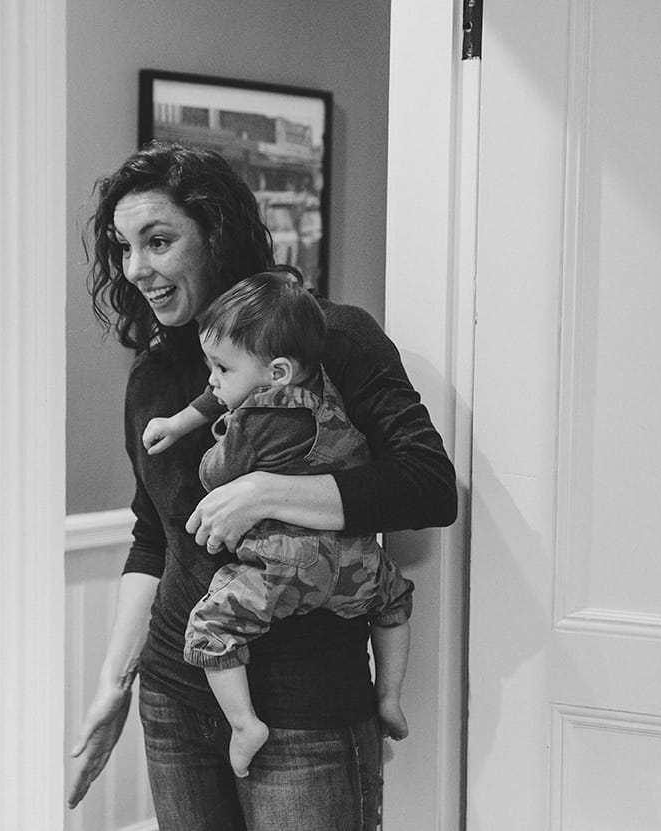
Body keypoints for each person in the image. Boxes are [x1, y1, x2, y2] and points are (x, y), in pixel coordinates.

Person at [68, 141, 456, 831]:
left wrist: (265, 492)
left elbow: (426, 484)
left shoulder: (326, 338)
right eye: (123, 246)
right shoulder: (154, 378)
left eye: (158, 241)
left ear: (216, 234)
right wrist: (112, 683)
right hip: (174, 696)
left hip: (303, 711)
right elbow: (152, 535)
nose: (136, 269)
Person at [142, 270, 414, 779]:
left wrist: (219, 443)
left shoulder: (255, 422)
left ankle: (245, 725)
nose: (212, 380)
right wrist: (182, 419)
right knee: (395, 598)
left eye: (220, 368)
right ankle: (391, 698)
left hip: (284, 569)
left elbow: (214, 473)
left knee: (211, 630)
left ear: (278, 373)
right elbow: (225, 389)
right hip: (354, 563)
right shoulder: (327, 391)